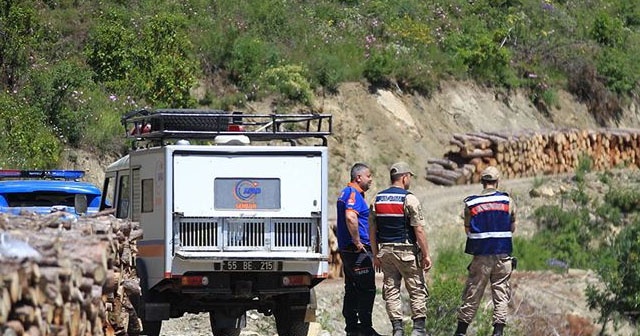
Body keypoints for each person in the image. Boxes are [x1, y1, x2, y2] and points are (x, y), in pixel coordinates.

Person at [369, 162, 432, 336]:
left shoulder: (377, 198)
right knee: (416, 288)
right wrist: (426, 255)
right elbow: (418, 229)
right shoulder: (409, 198)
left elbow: (372, 230)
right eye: (409, 177)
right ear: (404, 177)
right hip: (406, 252)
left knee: (391, 290)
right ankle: (418, 329)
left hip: (386, 252)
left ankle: (397, 329)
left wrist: (375, 255)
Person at [454, 166, 516, 336]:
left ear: (482, 182)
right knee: (501, 293)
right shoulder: (508, 201)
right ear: (497, 182)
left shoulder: (471, 203)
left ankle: (460, 332)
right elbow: (512, 227)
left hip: (481, 258)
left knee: (472, 294)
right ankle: (498, 331)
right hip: (503, 256)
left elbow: (467, 230)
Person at [336, 163, 384, 336]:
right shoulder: (352, 194)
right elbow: (350, 217)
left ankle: (352, 328)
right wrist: (357, 242)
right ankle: (365, 329)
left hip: (348, 250)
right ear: (358, 177)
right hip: (357, 251)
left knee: (352, 288)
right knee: (367, 289)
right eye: (368, 176)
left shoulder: (347, 193)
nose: (371, 179)